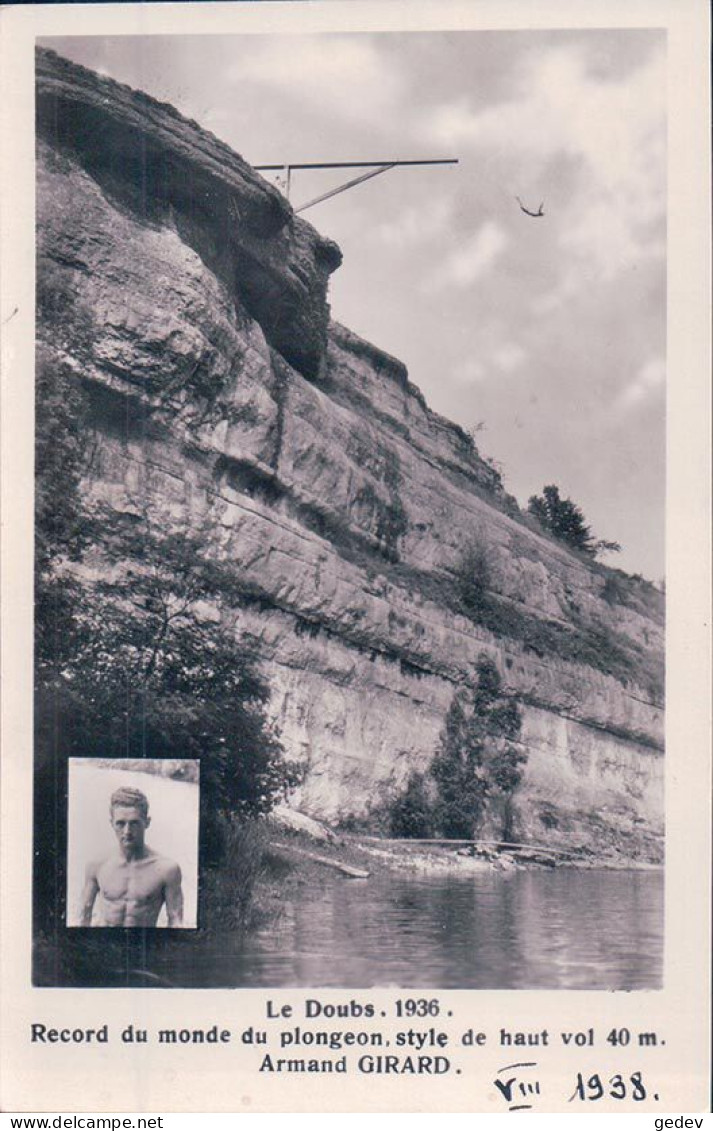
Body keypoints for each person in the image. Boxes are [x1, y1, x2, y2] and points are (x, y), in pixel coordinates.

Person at [78, 785, 183, 927]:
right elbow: (84, 915)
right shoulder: (97, 865)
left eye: (134, 823)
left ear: (147, 822)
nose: (127, 831)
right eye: (120, 824)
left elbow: (175, 920)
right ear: (112, 824)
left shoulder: (167, 870)